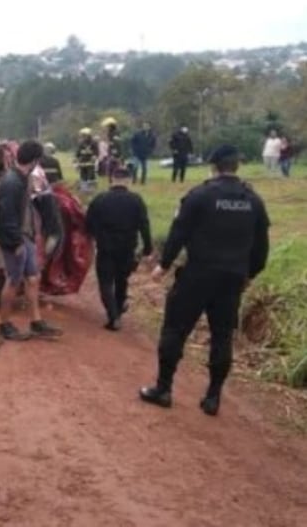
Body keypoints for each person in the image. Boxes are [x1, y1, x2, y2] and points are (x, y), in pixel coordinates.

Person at [140, 145, 270, 416]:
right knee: (222, 336)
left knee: (175, 329)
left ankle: (163, 389)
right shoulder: (254, 201)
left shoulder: (199, 196)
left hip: (198, 274)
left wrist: (164, 265)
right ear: (236, 166)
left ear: (213, 166)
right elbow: (261, 247)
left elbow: (179, 233)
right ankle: (213, 397)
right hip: (232, 279)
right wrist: (249, 274)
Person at [0, 140, 64, 340]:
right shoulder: (12, 183)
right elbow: (7, 216)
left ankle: (36, 322)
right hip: (15, 239)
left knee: (33, 278)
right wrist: (15, 243)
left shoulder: (23, 179)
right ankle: (4, 325)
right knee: (13, 280)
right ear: (33, 161)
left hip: (26, 236)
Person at [85, 166, 153, 331]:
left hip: (106, 247)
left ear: (112, 179)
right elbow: (144, 225)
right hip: (127, 247)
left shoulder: (100, 199)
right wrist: (147, 247)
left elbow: (88, 223)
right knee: (122, 280)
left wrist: (97, 236)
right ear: (128, 180)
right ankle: (118, 310)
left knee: (105, 282)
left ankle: (113, 315)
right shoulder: (136, 200)